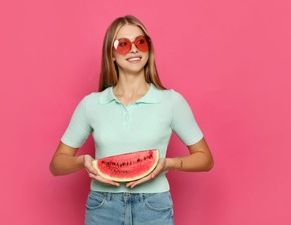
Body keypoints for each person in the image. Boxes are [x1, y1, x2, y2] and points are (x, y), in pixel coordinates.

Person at [49, 15, 214, 225]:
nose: (134, 49)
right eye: (124, 45)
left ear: (148, 49)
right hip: (102, 206)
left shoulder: (171, 101)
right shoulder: (91, 104)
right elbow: (56, 164)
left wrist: (168, 164)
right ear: (112, 55)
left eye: (140, 42)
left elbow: (206, 159)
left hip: (154, 206)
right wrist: (83, 162)